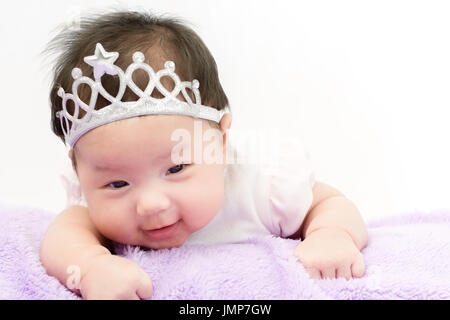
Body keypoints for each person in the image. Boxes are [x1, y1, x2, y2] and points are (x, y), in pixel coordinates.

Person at [40, 10, 368, 300]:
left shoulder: (262, 185)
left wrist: (330, 233)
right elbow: (61, 239)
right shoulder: (90, 211)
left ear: (221, 143)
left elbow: (328, 202)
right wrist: (90, 266)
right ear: (80, 172)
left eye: (177, 167)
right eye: (117, 184)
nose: (151, 204)